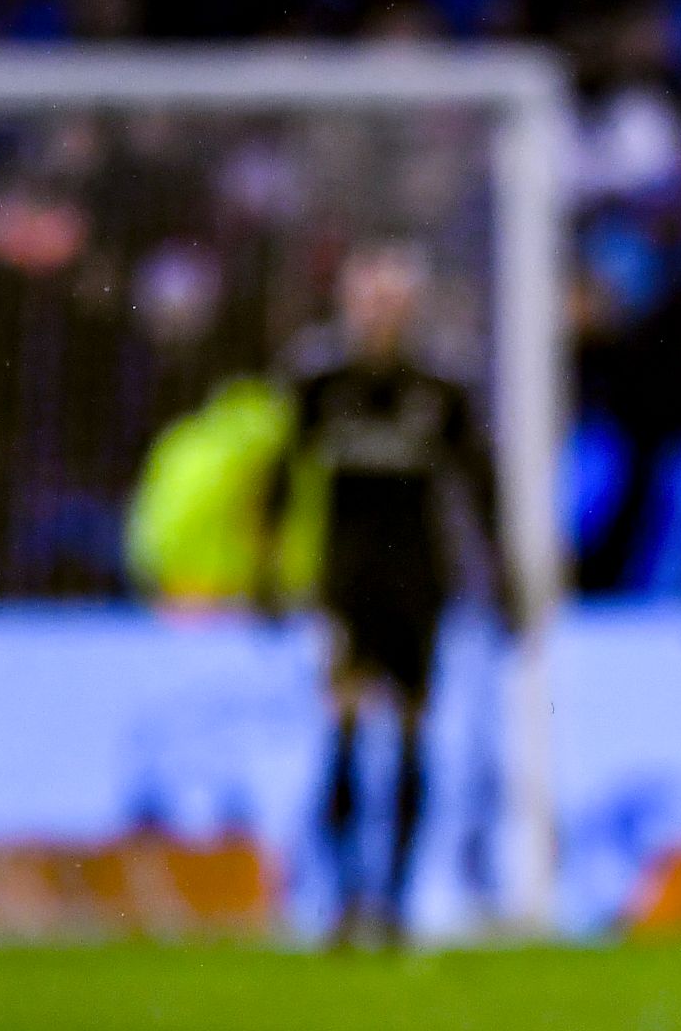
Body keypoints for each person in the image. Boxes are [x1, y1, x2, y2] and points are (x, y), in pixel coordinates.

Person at [259, 238, 517, 948]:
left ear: (412, 310)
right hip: (347, 582)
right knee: (341, 726)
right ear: (348, 304)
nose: (380, 315)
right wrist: (269, 571)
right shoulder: (320, 381)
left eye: (393, 302)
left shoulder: (439, 388)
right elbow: (282, 475)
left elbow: (479, 486)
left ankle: (396, 902)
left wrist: (504, 579)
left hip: (417, 585)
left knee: (409, 731)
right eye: (369, 300)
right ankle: (343, 899)